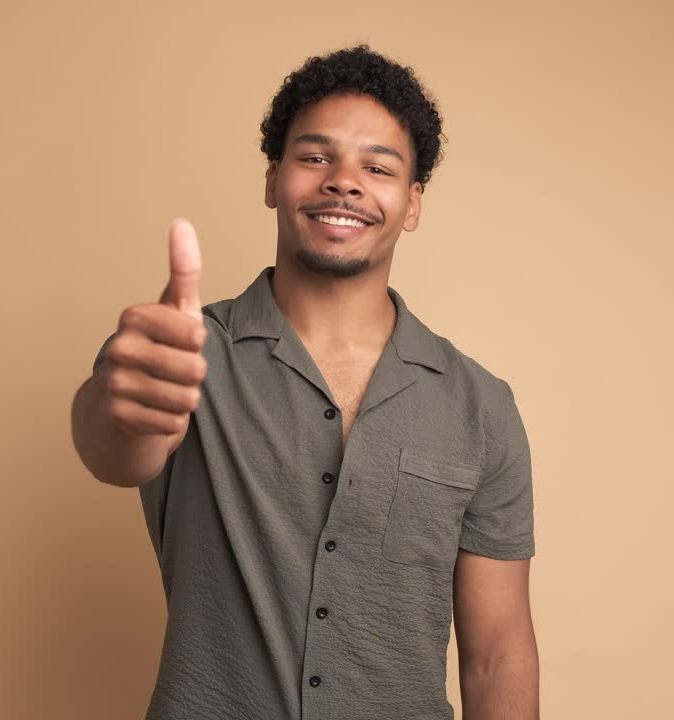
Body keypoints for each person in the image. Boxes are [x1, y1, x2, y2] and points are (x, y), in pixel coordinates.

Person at [71, 44, 538, 720]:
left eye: (377, 167)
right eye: (315, 157)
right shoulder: (180, 353)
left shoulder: (481, 406)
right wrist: (125, 405)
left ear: (412, 203)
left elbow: (499, 653)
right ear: (272, 180)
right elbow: (112, 449)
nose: (343, 182)